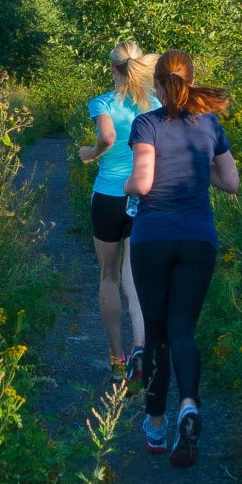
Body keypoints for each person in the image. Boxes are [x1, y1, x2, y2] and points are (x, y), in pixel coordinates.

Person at [123, 49, 240, 468]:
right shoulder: (211, 124)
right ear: (192, 82)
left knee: (155, 334)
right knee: (183, 331)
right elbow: (231, 182)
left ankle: (156, 426)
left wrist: (126, 187)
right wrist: (197, 164)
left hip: (153, 238)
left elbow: (144, 181)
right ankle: (189, 406)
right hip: (197, 240)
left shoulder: (147, 123)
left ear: (156, 85)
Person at [79, 41, 161, 381]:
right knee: (135, 274)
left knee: (108, 276)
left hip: (109, 196)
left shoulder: (101, 102)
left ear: (112, 68)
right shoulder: (154, 103)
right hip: (144, 196)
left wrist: (92, 152)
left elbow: (108, 136)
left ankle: (116, 356)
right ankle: (140, 347)